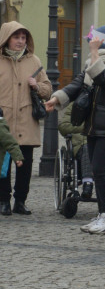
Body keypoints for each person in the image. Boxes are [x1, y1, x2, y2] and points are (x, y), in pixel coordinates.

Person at [46, 27, 105, 234]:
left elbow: (102, 77)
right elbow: (77, 84)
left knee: (100, 170)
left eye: (93, 41)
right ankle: (104, 215)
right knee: (97, 170)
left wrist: (94, 53)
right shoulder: (91, 65)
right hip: (93, 126)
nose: (89, 43)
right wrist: (58, 98)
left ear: (102, 42)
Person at [0, 21, 51, 216]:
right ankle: (3, 200)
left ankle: (20, 201)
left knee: (25, 164)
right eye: (16, 37)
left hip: (26, 121)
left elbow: (47, 89)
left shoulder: (34, 61)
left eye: (23, 38)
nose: (20, 42)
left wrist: (36, 86)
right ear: (6, 39)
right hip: (3, 121)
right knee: (3, 163)